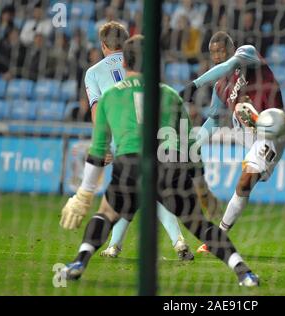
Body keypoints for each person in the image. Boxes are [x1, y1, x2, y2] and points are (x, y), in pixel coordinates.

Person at [60, 35, 259, 287]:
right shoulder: (169, 95)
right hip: (170, 166)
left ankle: (79, 262)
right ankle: (244, 273)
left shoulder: (110, 96)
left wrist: (84, 194)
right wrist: (203, 190)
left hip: (130, 165)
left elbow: (98, 149)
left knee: (106, 214)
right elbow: (189, 146)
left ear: (124, 64)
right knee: (200, 226)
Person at [61, 21, 193, 261]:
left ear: (103, 45)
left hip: (123, 137)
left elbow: (97, 111)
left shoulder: (93, 72)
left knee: (126, 192)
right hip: (153, 133)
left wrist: (105, 146)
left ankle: (109, 248)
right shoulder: (139, 63)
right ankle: (171, 242)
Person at [180, 31, 285, 252]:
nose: (218, 55)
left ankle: (217, 238)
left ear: (231, 48)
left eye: (221, 50)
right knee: (244, 186)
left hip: (271, 130)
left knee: (243, 183)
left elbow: (229, 66)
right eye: (213, 53)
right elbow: (215, 119)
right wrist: (194, 146)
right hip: (249, 138)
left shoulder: (246, 53)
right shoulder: (220, 87)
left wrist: (195, 84)